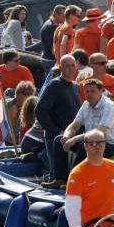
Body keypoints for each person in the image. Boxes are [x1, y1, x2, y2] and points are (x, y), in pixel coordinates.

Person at [49, 78, 114, 188]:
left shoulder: (109, 106)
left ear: (101, 91)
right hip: (91, 140)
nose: (89, 94)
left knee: (85, 146)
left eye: (93, 91)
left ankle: (74, 181)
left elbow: (99, 132)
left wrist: (73, 139)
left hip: (110, 144)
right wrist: (66, 136)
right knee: (59, 140)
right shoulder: (86, 105)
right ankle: (60, 179)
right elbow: (74, 125)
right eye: (87, 91)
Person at [36, 55, 81, 186]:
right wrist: (56, 131)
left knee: (69, 171)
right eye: (67, 66)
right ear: (60, 67)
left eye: (73, 65)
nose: (71, 69)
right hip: (55, 136)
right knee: (56, 172)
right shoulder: (54, 85)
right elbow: (40, 110)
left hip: (71, 136)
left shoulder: (74, 86)